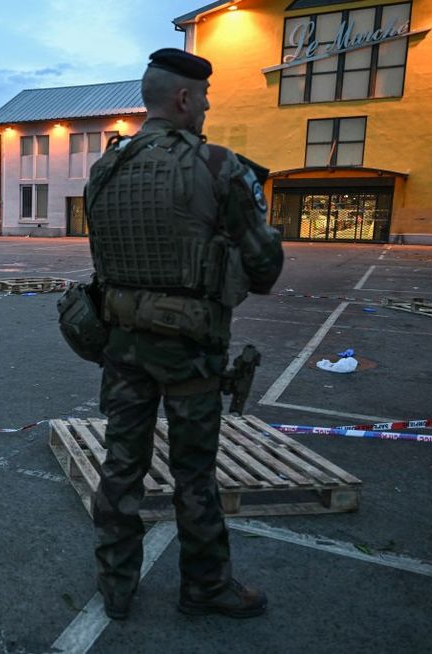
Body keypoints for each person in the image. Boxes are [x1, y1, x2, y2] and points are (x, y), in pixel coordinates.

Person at [85, 48, 284, 620]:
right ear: (183, 99)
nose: (207, 108)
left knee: (122, 463)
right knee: (194, 472)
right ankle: (205, 586)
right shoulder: (219, 165)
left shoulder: (106, 168)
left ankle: (116, 586)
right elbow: (265, 269)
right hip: (190, 350)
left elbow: (105, 259)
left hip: (122, 343)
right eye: (204, 99)